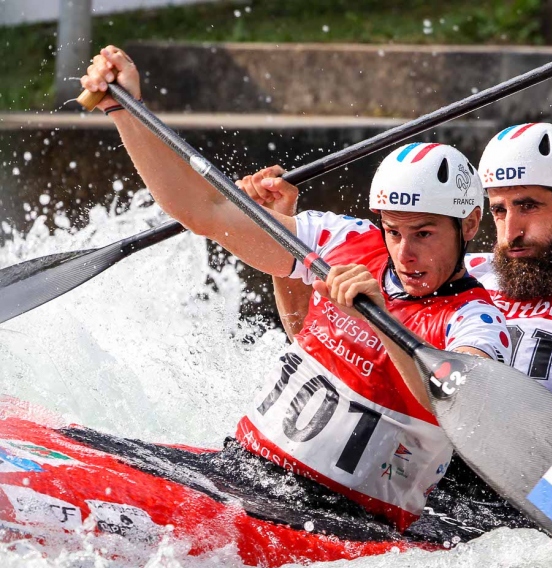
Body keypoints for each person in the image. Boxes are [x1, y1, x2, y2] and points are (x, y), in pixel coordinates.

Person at [258, 17, 552, 537]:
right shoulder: (474, 277)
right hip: (454, 473)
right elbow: (311, 330)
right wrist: (292, 252)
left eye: (527, 206)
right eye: (500, 210)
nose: (511, 231)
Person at [80, 45, 513, 531]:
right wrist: (125, 109)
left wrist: (384, 323)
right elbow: (201, 211)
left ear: (470, 224)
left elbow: (464, 408)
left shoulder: (476, 320)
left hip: (334, 517)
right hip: (242, 467)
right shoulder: (344, 241)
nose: (405, 252)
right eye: (393, 230)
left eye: (425, 233)